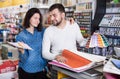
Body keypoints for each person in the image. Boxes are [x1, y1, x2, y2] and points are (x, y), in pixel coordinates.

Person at [16, 8, 49, 79]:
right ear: (29, 18)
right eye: (35, 18)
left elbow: (55, 29)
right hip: (26, 72)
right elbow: (24, 59)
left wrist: (68, 22)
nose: (38, 21)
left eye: (39, 19)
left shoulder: (42, 31)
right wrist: (22, 51)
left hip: (41, 70)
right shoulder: (21, 36)